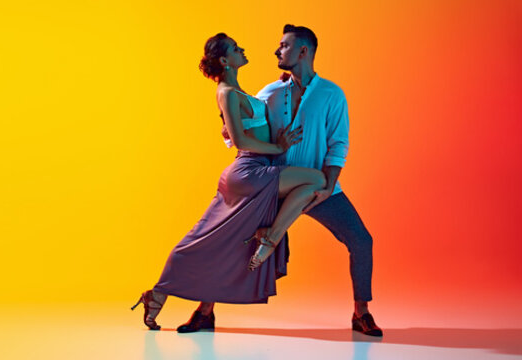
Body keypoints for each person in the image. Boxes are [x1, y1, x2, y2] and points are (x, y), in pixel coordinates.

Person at [131, 33, 326, 332]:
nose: (242, 49)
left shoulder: (239, 92)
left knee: (217, 243)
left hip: (253, 172)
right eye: (236, 48)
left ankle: (184, 305)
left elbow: (252, 121)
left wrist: (286, 85)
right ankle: (270, 238)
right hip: (249, 172)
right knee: (317, 179)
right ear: (225, 60)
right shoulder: (226, 93)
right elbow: (240, 140)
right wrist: (279, 146)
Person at [255, 24, 381, 336]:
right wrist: (228, 127)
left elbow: (338, 143)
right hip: (277, 186)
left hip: (321, 188)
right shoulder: (270, 92)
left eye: (284, 45)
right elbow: (246, 128)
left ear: (303, 51)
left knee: (361, 241)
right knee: (235, 238)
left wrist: (327, 185)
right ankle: (205, 311)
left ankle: (361, 312)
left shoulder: (331, 94)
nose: (276, 50)